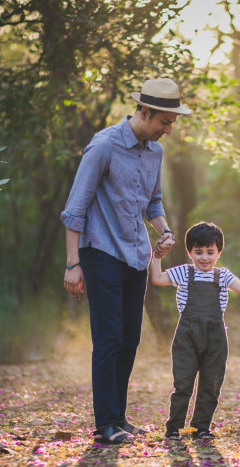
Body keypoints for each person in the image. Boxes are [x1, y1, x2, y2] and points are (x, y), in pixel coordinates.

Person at [61, 77, 189, 444]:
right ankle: (106, 424)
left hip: (136, 255)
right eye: (164, 122)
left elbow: (153, 202)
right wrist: (73, 264)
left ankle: (118, 417)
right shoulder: (103, 146)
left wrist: (164, 231)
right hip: (99, 252)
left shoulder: (155, 152)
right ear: (144, 111)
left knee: (130, 338)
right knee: (109, 338)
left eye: (171, 124)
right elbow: (75, 210)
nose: (168, 130)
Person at [150, 222, 240, 440]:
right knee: (183, 383)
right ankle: (174, 427)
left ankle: (201, 426)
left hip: (216, 338)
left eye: (210, 252)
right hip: (186, 337)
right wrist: (156, 256)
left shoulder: (223, 275)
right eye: (198, 252)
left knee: (211, 384)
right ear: (190, 252)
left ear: (219, 253)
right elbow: (157, 279)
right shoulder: (183, 273)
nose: (204, 258)